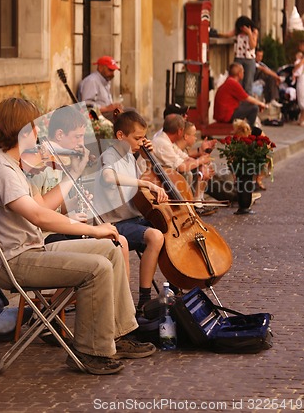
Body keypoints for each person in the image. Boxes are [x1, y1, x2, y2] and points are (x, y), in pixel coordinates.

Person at [0, 98, 155, 375]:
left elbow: (44, 206)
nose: (38, 134)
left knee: (110, 248)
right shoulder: (1, 170)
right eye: (34, 128)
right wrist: (94, 228)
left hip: (32, 251)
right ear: (23, 131)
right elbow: (39, 217)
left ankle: (117, 336)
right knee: (97, 268)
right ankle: (89, 351)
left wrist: (72, 173)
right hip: (14, 261)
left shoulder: (13, 164)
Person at [25, 104, 130, 279]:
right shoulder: (40, 165)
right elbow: (36, 215)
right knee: (114, 247)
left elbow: (56, 206)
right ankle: (62, 303)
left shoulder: (61, 160)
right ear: (59, 135)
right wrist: (68, 219)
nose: (81, 143)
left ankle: (111, 303)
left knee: (119, 241)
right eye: (77, 137)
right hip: (43, 237)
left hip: (59, 230)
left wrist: (73, 204)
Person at [94, 110, 169, 312]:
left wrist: (146, 157)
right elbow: (108, 177)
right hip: (116, 224)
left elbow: (139, 189)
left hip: (134, 219)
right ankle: (144, 298)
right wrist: (144, 183)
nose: (141, 142)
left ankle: (175, 289)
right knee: (155, 236)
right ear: (120, 136)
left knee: (168, 231)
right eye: (137, 138)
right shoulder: (109, 155)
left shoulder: (129, 156)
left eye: (143, 138)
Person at [151, 114, 215, 211]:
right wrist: (200, 161)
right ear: (180, 131)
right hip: (158, 179)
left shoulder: (167, 141)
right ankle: (188, 205)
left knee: (199, 168)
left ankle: (196, 202)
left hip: (167, 175)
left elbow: (185, 158)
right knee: (187, 173)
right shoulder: (162, 143)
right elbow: (181, 167)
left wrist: (202, 164)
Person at [213, 63, 267, 127]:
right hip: (226, 116)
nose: (243, 74)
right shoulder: (232, 83)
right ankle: (249, 131)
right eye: (243, 72)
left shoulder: (229, 81)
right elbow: (247, 98)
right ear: (239, 74)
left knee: (249, 105)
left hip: (222, 115)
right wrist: (261, 104)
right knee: (254, 108)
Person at [174, 121, 216, 199]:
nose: (196, 138)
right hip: (173, 179)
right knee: (190, 173)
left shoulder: (181, 148)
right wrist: (201, 164)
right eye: (194, 135)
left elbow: (188, 157)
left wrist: (203, 162)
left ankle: (199, 199)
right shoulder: (173, 147)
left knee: (207, 167)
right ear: (186, 136)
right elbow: (182, 166)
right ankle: (196, 200)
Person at [220, 15, 258, 94]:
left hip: (249, 59)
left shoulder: (254, 31)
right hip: (239, 58)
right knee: (237, 81)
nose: (242, 30)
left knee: (248, 82)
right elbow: (227, 35)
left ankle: (247, 102)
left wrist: (249, 33)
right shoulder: (237, 32)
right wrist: (216, 33)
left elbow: (252, 46)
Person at [77, 56, 123, 122]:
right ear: (101, 68)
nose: (112, 74)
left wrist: (114, 107)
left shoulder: (105, 80)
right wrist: (106, 108)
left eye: (113, 71)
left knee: (130, 112)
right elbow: (87, 105)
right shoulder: (92, 81)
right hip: (97, 115)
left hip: (105, 113)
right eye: (110, 70)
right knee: (125, 117)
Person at [292, 44, 304, 126]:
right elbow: (295, 68)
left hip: (302, 79)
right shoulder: (298, 61)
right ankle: (301, 118)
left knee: (302, 98)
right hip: (300, 79)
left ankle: (302, 119)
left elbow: (297, 68)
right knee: (301, 98)